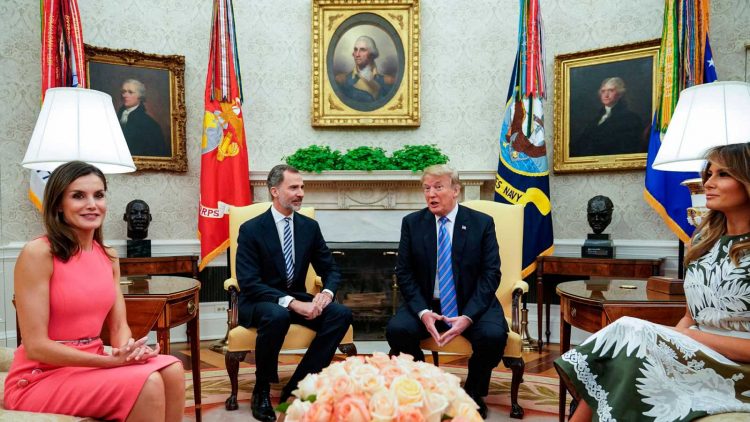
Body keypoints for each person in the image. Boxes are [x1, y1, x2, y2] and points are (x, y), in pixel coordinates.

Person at [555, 143, 750, 421]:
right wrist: (671, 345)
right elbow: (689, 317)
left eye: (723, 175)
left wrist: (688, 338)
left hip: (738, 371)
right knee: (626, 347)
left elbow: (691, 331)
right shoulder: (704, 243)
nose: (708, 183)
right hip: (698, 354)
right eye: (709, 173)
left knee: (628, 332)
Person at [4, 161, 184, 421]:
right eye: (78, 196)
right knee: (149, 383)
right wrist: (112, 362)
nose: (92, 204)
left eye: (98, 195)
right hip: (40, 376)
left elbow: (120, 326)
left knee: (174, 368)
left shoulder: (108, 256)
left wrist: (129, 352)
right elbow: (35, 347)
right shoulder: (39, 253)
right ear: (57, 205)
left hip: (93, 364)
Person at [386, 164, 508, 419]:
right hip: (428, 303)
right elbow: (404, 272)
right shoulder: (412, 223)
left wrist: (468, 316)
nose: (431, 194)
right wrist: (422, 311)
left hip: (471, 303)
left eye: (438, 187)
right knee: (397, 330)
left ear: (456, 190)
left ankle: (473, 393)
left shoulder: (481, 223)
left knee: (493, 336)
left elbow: (491, 274)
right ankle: (423, 386)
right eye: (426, 188)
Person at [235, 164, 352, 422]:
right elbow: (249, 282)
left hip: (296, 296)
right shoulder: (251, 229)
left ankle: (299, 384)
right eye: (294, 187)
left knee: (341, 314)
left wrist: (327, 294)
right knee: (277, 315)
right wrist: (293, 304)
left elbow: (331, 268)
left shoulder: (308, 227)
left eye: (302, 187)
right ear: (275, 191)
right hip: (259, 300)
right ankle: (262, 389)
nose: (300, 193)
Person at [571, 77, 645, 157]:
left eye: (611, 90)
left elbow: (627, 148)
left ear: (620, 94)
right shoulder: (595, 119)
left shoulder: (631, 119)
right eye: (603, 91)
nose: (606, 95)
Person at [334, 35, 395, 104]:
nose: (357, 54)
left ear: (372, 54)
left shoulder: (388, 81)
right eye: (355, 49)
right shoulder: (342, 81)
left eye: (362, 50)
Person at [118, 79, 169, 157]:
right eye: (124, 91)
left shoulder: (150, 125)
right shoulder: (116, 116)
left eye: (130, 92)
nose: (124, 95)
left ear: (140, 96)